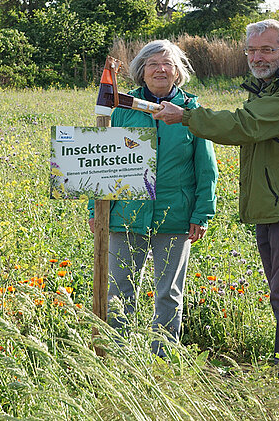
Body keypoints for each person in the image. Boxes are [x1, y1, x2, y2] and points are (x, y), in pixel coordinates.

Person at [153, 19, 279, 367]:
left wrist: (187, 116)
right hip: (271, 201)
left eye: (267, 50)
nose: (257, 57)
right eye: (251, 50)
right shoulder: (270, 87)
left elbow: (246, 125)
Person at [88, 39, 218, 356]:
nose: (161, 69)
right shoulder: (123, 109)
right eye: (153, 64)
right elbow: (102, 162)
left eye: (167, 64)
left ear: (177, 71)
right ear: (142, 71)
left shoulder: (191, 112)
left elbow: (206, 169)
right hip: (126, 214)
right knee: (119, 292)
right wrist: (95, 209)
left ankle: (163, 358)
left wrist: (201, 214)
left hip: (174, 216)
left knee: (168, 293)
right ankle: (117, 358)